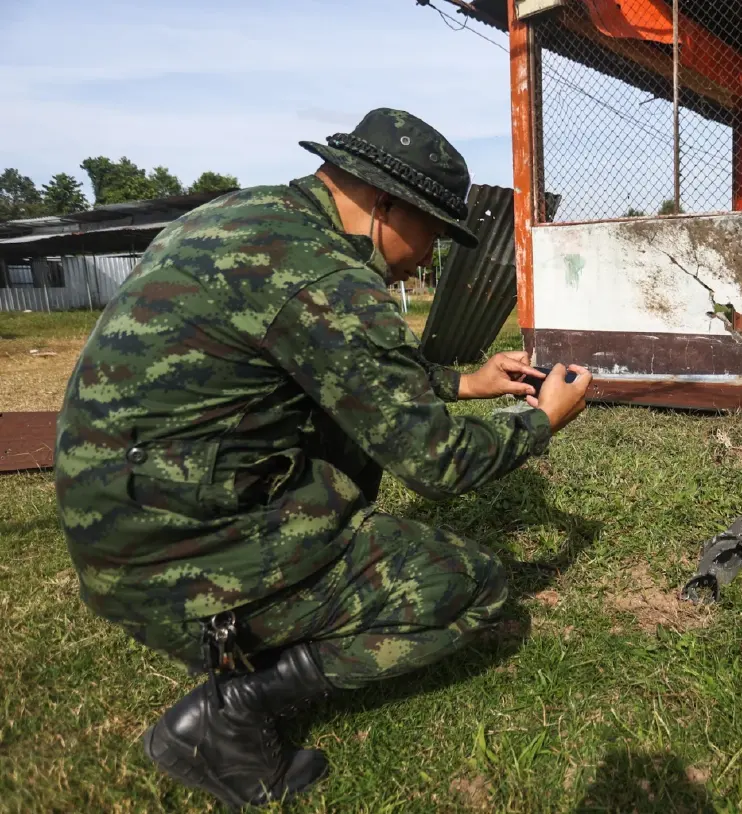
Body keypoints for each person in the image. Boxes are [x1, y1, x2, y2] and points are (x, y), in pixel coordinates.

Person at [54, 108, 591, 809]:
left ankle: (266, 619)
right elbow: (440, 465)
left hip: (126, 521)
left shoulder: (249, 219)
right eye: (432, 231)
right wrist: (541, 419)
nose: (430, 257)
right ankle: (230, 713)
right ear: (385, 203)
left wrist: (464, 381)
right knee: (470, 586)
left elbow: (338, 367)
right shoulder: (327, 279)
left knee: (341, 447)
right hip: (168, 565)